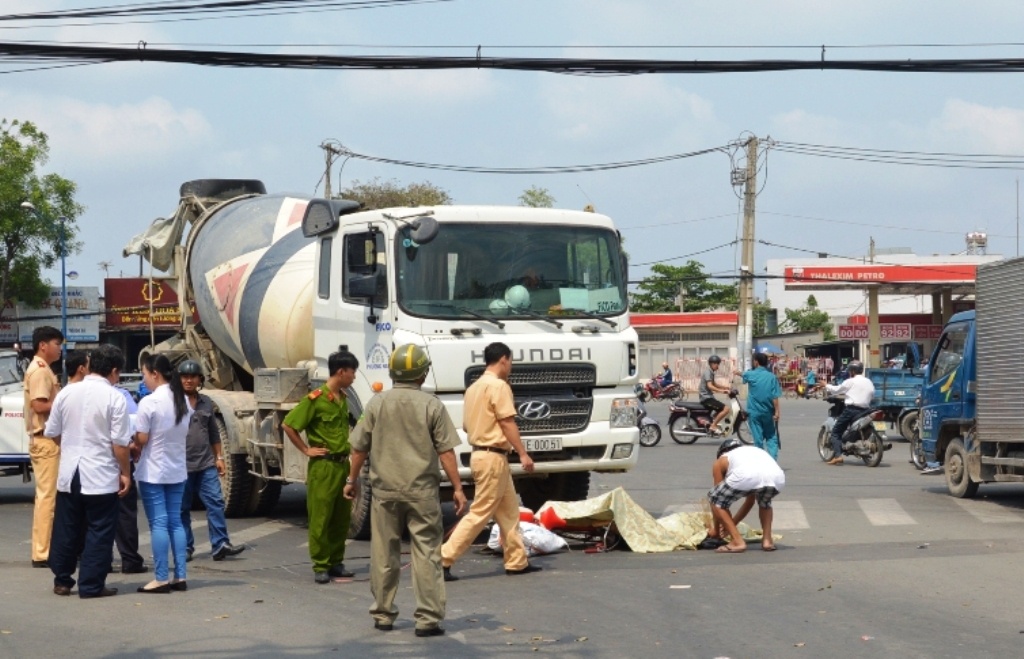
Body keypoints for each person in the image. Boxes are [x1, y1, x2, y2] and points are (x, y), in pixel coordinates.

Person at [345, 344, 467, 637]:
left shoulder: (376, 404)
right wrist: (459, 488)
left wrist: (351, 480)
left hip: (385, 492)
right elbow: (446, 451)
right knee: (426, 553)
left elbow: (359, 448)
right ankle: (427, 619)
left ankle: (383, 614)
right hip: (422, 492)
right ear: (422, 374)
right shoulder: (431, 405)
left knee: (383, 552)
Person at [441, 342, 541, 580]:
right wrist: (523, 453)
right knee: (480, 513)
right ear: (504, 359)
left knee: (509, 512)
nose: (511, 367)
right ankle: (443, 558)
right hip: (493, 456)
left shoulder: (473, 388)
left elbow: (467, 425)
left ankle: (517, 561)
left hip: (482, 454)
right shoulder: (499, 386)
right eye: (511, 362)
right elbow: (507, 422)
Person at [45, 344, 132, 598]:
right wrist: (125, 472)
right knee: (100, 529)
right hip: (101, 474)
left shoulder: (66, 393)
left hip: (70, 473)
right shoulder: (115, 397)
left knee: (66, 527)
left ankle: (62, 580)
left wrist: (71, 448)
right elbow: (120, 444)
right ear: (114, 371)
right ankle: (91, 584)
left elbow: (52, 432)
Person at [282, 350, 360, 584]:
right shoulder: (314, 399)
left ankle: (336, 561)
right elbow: (289, 425)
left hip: (341, 465)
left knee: (341, 517)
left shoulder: (343, 398)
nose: (354, 377)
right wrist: (306, 450)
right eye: (352, 372)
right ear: (341, 372)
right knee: (321, 517)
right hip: (323, 467)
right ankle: (321, 564)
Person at [177, 360, 245, 562]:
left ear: (200, 379)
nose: (189, 380)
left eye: (193, 377)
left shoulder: (206, 402)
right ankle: (186, 547)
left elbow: (213, 433)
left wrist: (220, 457)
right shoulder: (172, 402)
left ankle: (220, 544)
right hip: (180, 465)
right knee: (182, 508)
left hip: (206, 463)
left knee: (215, 502)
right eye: (184, 377)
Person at [134, 354, 191, 593]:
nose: (144, 379)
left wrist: (131, 441)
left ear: (155, 373)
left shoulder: (149, 402)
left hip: (154, 471)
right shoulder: (184, 401)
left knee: (158, 522)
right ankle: (180, 576)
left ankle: (160, 577)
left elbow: (142, 439)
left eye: (144, 374)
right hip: (177, 469)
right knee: (175, 522)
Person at [24, 325, 64, 569]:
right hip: (45, 439)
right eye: (57, 344)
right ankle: (43, 552)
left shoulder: (43, 368)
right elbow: (39, 406)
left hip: (47, 439)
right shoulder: (40, 371)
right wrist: (64, 401)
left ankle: (45, 548)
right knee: (47, 498)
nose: (60, 349)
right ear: (43, 345)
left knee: (49, 497)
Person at [707, 439, 785, 554]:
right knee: (765, 504)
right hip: (777, 477)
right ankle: (767, 540)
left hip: (747, 476)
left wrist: (717, 532)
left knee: (714, 499)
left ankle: (737, 542)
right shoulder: (751, 451)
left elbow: (717, 500)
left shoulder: (721, 460)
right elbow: (750, 502)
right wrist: (732, 524)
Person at [823, 360, 875, 465]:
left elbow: (836, 390)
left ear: (852, 371)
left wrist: (826, 385)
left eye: (850, 370)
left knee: (836, 432)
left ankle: (838, 456)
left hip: (852, 410)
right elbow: (872, 394)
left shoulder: (850, 381)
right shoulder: (868, 381)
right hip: (866, 410)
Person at [742, 352, 782, 460]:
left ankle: (760, 462)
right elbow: (775, 397)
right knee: (771, 436)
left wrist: (737, 373)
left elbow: (743, 375)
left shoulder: (750, 374)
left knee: (758, 439)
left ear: (756, 362)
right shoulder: (772, 377)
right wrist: (777, 412)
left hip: (754, 412)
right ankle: (772, 459)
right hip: (768, 412)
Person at [699, 355, 732, 435]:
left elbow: (714, 384)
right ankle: (713, 426)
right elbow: (710, 386)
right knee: (726, 409)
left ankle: (711, 422)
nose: (718, 366)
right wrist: (722, 391)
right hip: (706, 398)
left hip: (708, 397)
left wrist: (726, 387)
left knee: (721, 409)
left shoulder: (710, 372)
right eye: (717, 364)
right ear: (712, 364)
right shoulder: (708, 372)